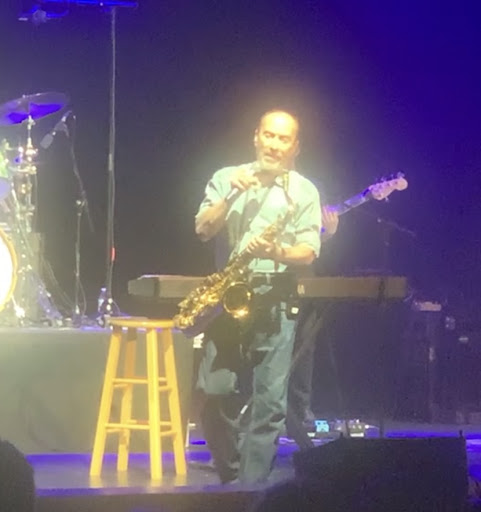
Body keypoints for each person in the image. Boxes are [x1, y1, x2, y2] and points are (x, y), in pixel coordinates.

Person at [194, 109, 322, 484]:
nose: (275, 145)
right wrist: (232, 194)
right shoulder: (226, 177)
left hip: (276, 296)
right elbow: (203, 229)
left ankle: (250, 492)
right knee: (213, 392)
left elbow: (309, 251)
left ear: (295, 147)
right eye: (269, 135)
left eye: (284, 139)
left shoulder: (304, 190)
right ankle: (235, 477)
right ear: (256, 137)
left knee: (269, 404)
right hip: (229, 295)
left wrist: (276, 252)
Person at [286, 206, 340, 448]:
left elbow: (310, 248)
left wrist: (327, 235)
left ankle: (300, 412)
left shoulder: (310, 200)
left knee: (304, 350)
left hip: (306, 282)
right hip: (274, 279)